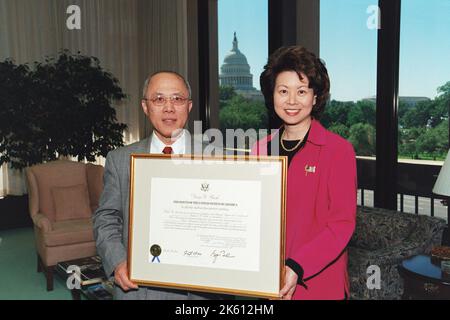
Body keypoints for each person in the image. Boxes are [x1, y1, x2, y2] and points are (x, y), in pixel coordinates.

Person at [93, 71, 218, 300]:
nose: (169, 108)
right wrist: (118, 262)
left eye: (177, 99)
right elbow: (106, 218)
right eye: (159, 99)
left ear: (189, 106)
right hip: (138, 288)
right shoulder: (120, 159)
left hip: (200, 292)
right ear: (145, 106)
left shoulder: (218, 158)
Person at [252, 46, 357, 300]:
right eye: (283, 91)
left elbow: (341, 225)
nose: (291, 101)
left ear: (315, 97)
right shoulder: (259, 149)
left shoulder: (338, 151)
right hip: (267, 281)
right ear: (271, 95)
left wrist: (298, 265)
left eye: (301, 91)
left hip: (318, 285)